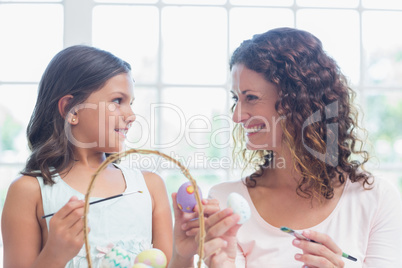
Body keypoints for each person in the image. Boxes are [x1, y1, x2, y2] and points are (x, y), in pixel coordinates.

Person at [191, 27, 402, 267]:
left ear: (296, 100)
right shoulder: (226, 203)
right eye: (235, 99)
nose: (236, 116)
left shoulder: (375, 199)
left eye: (250, 97)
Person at [1, 45, 215, 268]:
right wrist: (54, 255)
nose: (131, 116)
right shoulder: (28, 191)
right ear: (71, 110)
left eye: (130, 103)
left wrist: (184, 255)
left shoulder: (149, 187)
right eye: (117, 101)